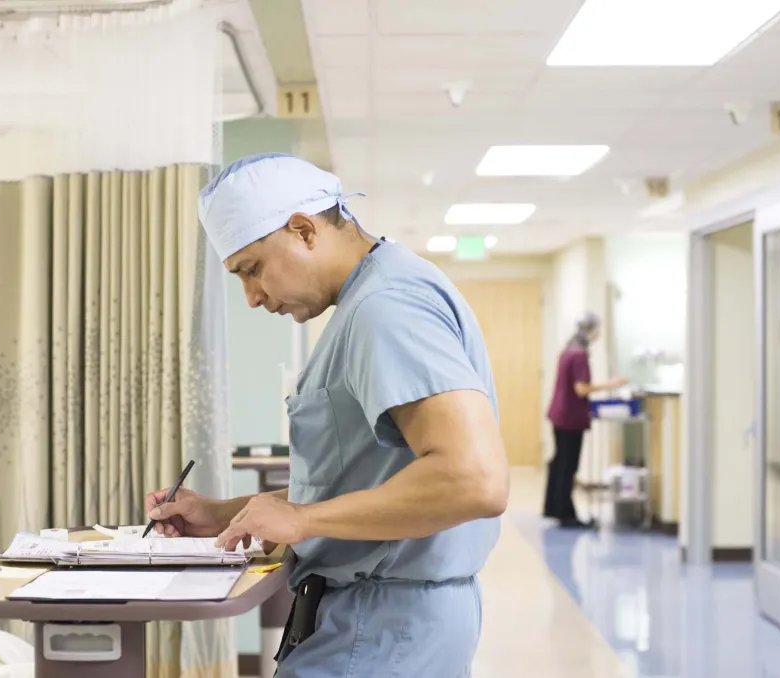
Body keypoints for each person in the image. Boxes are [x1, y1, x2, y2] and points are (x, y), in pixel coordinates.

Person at [144, 153, 508, 677]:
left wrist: (302, 520)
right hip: (384, 623)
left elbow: (474, 481)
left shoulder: (386, 308)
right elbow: (369, 481)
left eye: (252, 270)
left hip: (381, 628)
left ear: (303, 230)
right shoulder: (377, 294)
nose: (252, 297)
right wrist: (225, 514)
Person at [543, 312, 627, 529]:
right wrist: (612, 384)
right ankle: (566, 514)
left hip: (559, 414)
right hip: (570, 418)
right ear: (591, 330)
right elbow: (581, 389)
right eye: (598, 329)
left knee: (559, 462)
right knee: (568, 465)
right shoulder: (580, 356)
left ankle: (554, 508)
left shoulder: (567, 351)